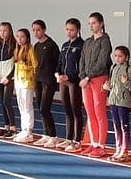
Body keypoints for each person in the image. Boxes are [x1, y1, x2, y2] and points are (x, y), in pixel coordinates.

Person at [79, 12, 112, 157]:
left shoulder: (105, 41)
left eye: (94, 23)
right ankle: (93, 143)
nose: (91, 26)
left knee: (99, 113)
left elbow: (102, 62)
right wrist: (82, 76)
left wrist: (88, 76)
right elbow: (82, 60)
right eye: (89, 23)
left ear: (101, 24)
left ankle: (101, 145)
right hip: (86, 81)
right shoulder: (87, 41)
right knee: (90, 112)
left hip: (98, 78)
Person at [57, 18, 85, 151]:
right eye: (67, 29)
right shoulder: (65, 45)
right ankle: (68, 138)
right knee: (67, 110)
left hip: (74, 82)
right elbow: (60, 63)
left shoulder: (81, 45)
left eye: (72, 30)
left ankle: (77, 140)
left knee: (76, 110)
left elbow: (81, 66)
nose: (69, 32)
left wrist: (69, 76)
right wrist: (57, 74)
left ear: (78, 30)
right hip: (63, 82)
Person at [105, 46, 131, 162]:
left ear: (126, 57)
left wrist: (126, 82)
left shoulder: (129, 70)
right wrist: (105, 87)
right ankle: (118, 149)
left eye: (120, 56)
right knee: (116, 125)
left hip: (124, 102)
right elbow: (111, 84)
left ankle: (124, 151)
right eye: (116, 56)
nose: (117, 58)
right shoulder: (113, 68)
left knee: (124, 126)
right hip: (113, 101)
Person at [32, 20, 60, 147]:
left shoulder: (51, 45)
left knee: (45, 108)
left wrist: (55, 75)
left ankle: (53, 136)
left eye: (38, 30)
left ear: (44, 30)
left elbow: (58, 62)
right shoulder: (36, 46)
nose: (36, 32)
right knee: (40, 108)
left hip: (48, 80)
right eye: (34, 30)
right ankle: (46, 134)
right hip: (38, 79)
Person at [13, 28, 39, 143]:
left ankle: (29, 130)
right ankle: (23, 129)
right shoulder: (17, 50)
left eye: (22, 36)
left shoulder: (30, 50)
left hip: (27, 82)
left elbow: (35, 65)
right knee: (21, 106)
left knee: (27, 106)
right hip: (19, 82)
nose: (19, 39)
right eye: (18, 36)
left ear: (27, 38)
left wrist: (30, 73)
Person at [0, 22, 17, 139]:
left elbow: (16, 63)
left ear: (10, 31)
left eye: (5, 31)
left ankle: (13, 128)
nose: (2, 33)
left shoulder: (13, 45)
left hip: (9, 78)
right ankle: (6, 126)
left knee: (7, 101)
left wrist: (8, 77)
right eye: (1, 30)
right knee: (2, 103)